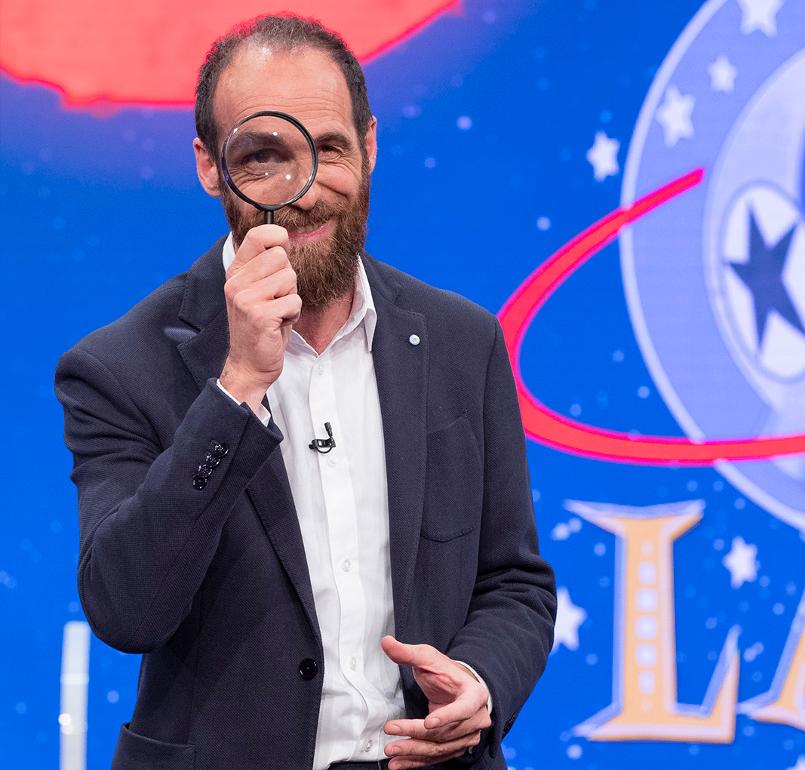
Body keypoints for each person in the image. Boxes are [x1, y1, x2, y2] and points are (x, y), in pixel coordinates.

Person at [53, 14, 556, 770]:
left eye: (330, 148)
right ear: (210, 167)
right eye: (265, 157)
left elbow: (514, 583)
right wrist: (236, 390)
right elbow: (127, 610)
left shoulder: (463, 341)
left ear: (370, 146)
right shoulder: (119, 368)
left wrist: (479, 684)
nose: (307, 191)